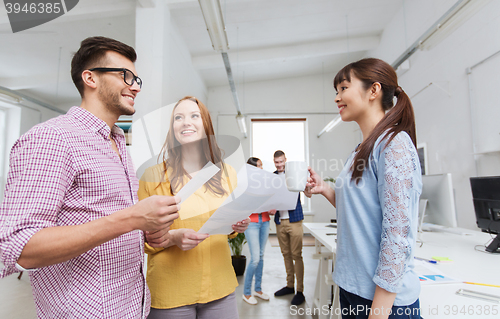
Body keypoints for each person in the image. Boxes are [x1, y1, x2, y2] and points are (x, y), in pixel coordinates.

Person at [0, 36, 180, 318]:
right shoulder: (51, 138)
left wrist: (146, 229)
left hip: (132, 307)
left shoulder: (118, 141)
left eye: (137, 79)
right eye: (126, 76)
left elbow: (104, 221)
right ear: (90, 78)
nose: (135, 86)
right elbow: (18, 247)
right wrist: (132, 218)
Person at [305, 58, 422, 319]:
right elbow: (361, 209)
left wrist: (379, 312)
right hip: (353, 287)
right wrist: (325, 188)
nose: (337, 98)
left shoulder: (394, 145)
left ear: (374, 90)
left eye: (344, 88)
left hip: (384, 301)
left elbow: (396, 237)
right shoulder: (360, 150)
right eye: (336, 91)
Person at [138, 96, 250, 319]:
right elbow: (137, 238)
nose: (186, 122)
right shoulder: (152, 177)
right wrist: (171, 238)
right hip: (171, 292)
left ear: (206, 124)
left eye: (194, 116)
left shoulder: (226, 173)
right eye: (178, 117)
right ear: (172, 129)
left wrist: (236, 225)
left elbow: (227, 228)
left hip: (220, 287)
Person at [271, 150, 307, 306]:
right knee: (286, 254)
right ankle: (290, 285)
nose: (279, 165)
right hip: (280, 221)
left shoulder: (295, 174)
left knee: (296, 255)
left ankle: (300, 291)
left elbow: (307, 192)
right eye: (276, 162)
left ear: (286, 160)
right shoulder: (271, 177)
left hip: (294, 220)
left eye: (281, 162)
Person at [242, 157, 272, 305]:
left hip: (265, 220)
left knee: (261, 255)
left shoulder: (265, 184)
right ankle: (246, 293)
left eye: (261, 165)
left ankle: (258, 289)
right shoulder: (245, 185)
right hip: (252, 222)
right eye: (258, 166)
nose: (261, 168)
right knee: (255, 258)